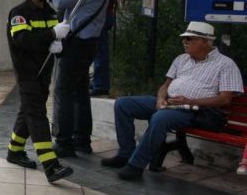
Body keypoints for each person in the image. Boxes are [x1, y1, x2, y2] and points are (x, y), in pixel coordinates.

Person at [101, 22, 243, 180]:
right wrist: (161, 98)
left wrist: (190, 101)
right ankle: (125, 153)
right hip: (169, 102)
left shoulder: (225, 64)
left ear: (205, 41)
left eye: (189, 39)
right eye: (184, 39)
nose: (184, 42)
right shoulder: (181, 59)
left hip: (195, 110)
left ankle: (136, 165)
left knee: (160, 118)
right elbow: (165, 85)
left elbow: (225, 99)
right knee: (123, 104)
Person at [5, 0, 74, 183]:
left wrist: (60, 43)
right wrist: (52, 34)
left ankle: (14, 150)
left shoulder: (50, 11)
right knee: (37, 115)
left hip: (44, 70)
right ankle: (50, 165)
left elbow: (53, 37)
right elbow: (22, 41)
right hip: (27, 72)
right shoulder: (19, 13)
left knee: (28, 110)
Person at [45, 0, 108, 157]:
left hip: (79, 44)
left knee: (63, 91)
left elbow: (62, 2)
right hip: (86, 44)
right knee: (80, 93)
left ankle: (63, 141)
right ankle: (82, 140)